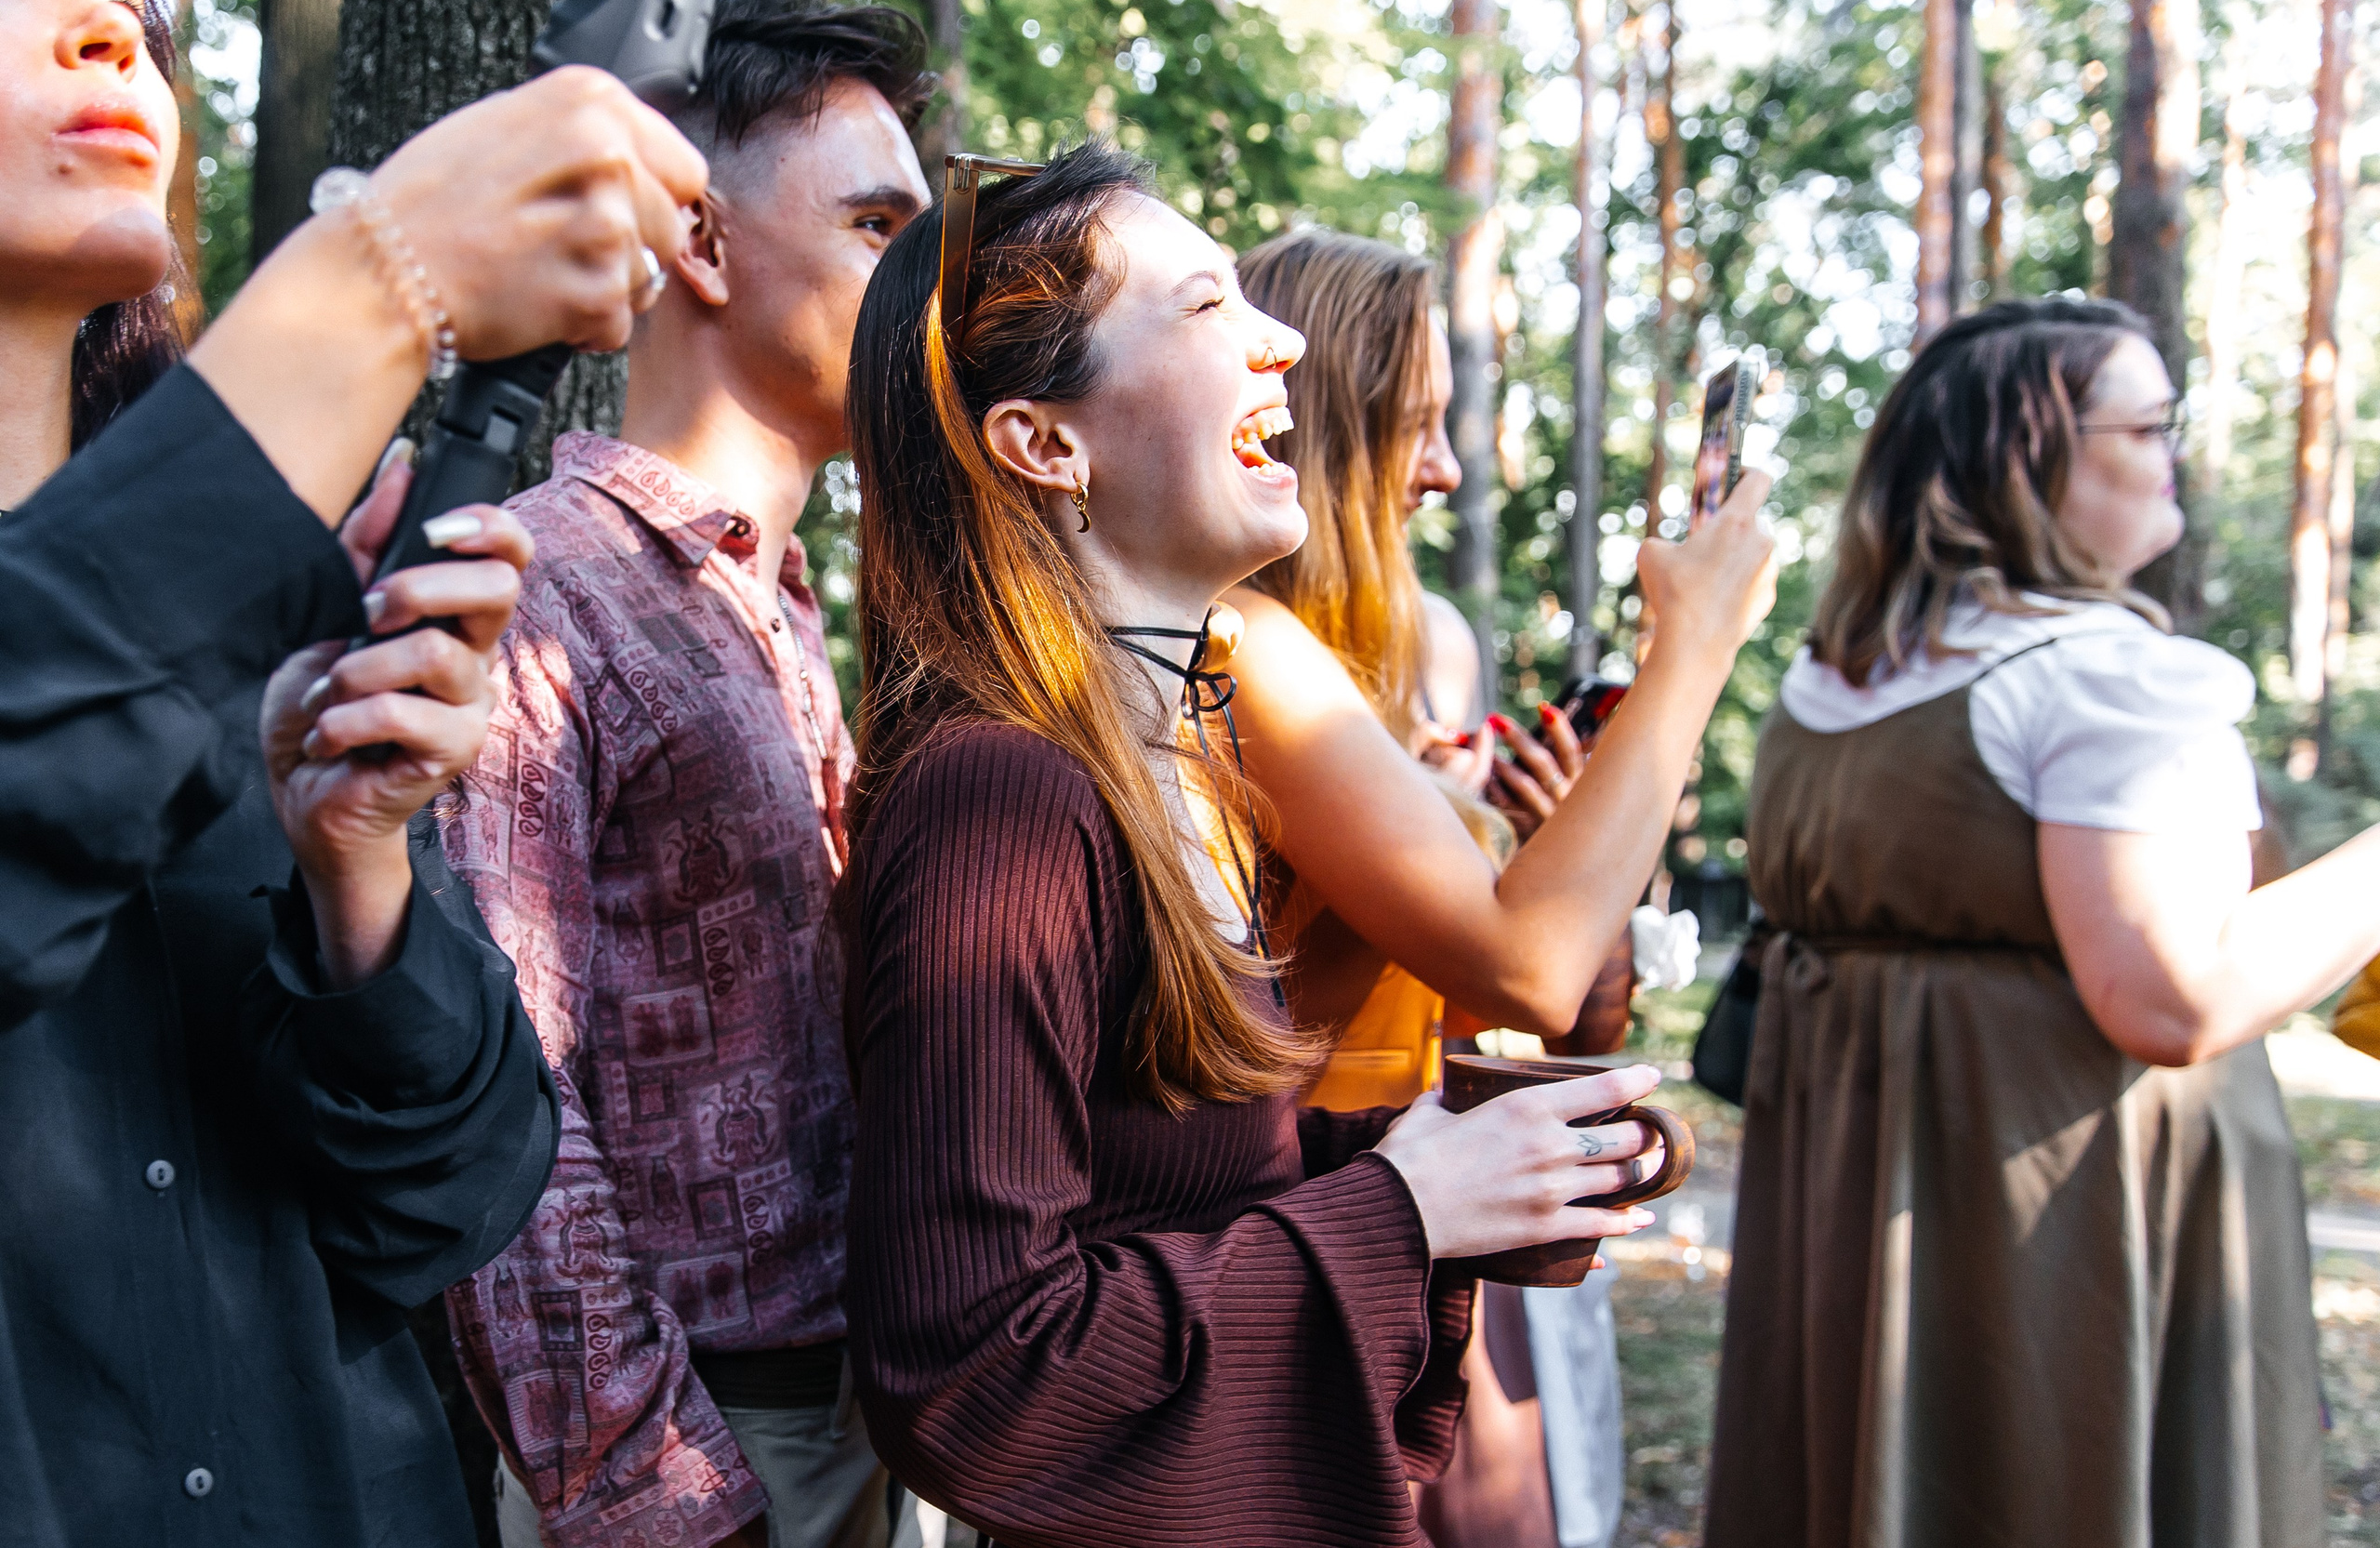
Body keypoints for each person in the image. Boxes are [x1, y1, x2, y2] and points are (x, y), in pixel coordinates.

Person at [833, 140, 1691, 1548]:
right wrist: (1401, 1209)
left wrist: (1438, 1161)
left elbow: (1157, 1188)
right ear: (1045, 443)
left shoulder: (1158, 756)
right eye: (1205, 306)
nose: (1283, 341)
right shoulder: (1002, 797)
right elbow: (975, 1372)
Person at [0, 0, 708, 1542]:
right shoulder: (211, 568)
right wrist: (384, 278)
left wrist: (359, 869)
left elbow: (448, 1204)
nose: (115, 29)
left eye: (147, 11)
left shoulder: (276, 609)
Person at [1705, 298, 2380, 1548]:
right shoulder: (2095, 677)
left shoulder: (1835, 676)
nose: (2175, 446)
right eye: (2151, 421)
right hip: (2064, 1214)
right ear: (2034, 462)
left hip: (1873, 1212)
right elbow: (2173, 998)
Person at [433, 0, 934, 1548]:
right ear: (705, 243)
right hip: (697, 1458)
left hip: (851, 1414)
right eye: (877, 230)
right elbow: (503, 1098)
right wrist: (666, 1500)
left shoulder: (773, 600)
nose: (927, 291)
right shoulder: (540, 587)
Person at [1228, 231, 1767, 1548]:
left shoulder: (1401, 659)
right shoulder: (1242, 650)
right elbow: (1519, 962)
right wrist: (1691, 651)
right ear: (1311, 431)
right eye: (1412, 427)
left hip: (1439, 1199)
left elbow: (1549, 1003)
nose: (1450, 470)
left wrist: (1544, 841)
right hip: (1310, 1227)